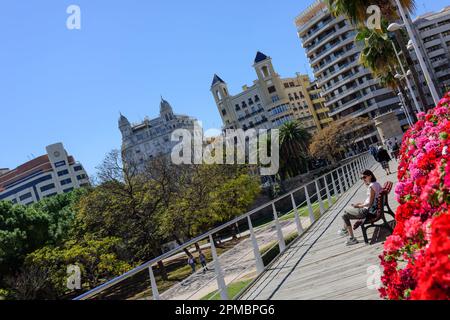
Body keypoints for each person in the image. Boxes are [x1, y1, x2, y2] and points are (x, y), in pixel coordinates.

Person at [338, 170, 382, 245]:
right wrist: (361, 203)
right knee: (344, 216)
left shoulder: (371, 186)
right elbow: (371, 200)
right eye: (362, 178)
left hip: (366, 212)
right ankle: (351, 237)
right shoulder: (376, 184)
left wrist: (358, 206)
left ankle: (345, 231)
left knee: (345, 209)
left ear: (370, 176)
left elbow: (370, 203)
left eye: (364, 177)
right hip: (371, 209)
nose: (363, 179)